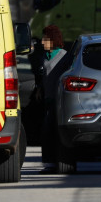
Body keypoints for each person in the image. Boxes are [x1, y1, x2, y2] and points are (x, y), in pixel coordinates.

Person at [37, 25, 71, 172]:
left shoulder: (64, 56)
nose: (42, 42)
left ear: (53, 40)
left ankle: (56, 163)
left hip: (60, 100)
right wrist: (39, 88)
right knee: (47, 131)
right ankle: (50, 163)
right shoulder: (44, 56)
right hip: (47, 99)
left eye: (45, 39)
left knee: (53, 131)